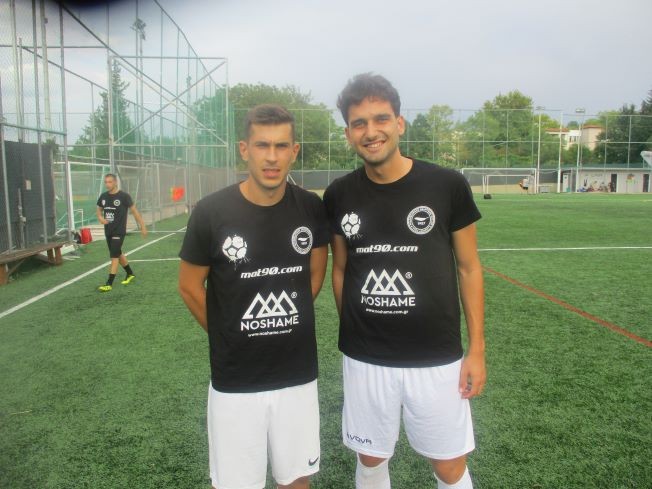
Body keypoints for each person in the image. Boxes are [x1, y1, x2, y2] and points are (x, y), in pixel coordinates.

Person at [324, 74, 486, 489]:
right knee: (371, 459)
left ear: (399, 123)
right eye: (359, 123)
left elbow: (469, 268)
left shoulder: (446, 185)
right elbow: (340, 269)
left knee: (449, 466)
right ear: (348, 133)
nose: (371, 132)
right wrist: (355, 328)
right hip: (366, 357)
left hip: (436, 356)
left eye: (381, 119)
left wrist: (477, 349)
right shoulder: (339, 194)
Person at [178, 105, 329, 489]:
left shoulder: (311, 208)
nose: (272, 157)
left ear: (294, 151)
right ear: (244, 149)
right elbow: (189, 286)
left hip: (296, 374)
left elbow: (314, 275)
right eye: (262, 145)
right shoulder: (210, 212)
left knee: (296, 481)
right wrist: (228, 333)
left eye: (281, 146)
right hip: (235, 379)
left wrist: (282, 320)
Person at [96, 173, 147, 292]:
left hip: (119, 232)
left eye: (110, 182)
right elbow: (98, 210)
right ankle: (130, 273)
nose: (107, 184)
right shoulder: (103, 196)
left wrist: (143, 226)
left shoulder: (124, 196)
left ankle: (109, 283)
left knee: (114, 256)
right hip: (108, 231)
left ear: (115, 182)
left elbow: (135, 212)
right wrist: (100, 218)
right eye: (106, 182)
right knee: (118, 253)